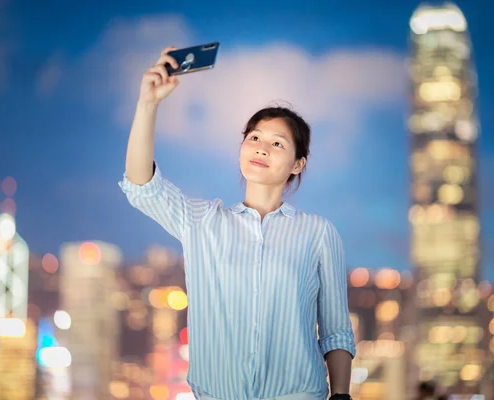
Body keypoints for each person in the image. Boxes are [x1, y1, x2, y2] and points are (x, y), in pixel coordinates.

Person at [119, 46, 356, 400]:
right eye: (254, 138)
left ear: (297, 164)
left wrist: (340, 395)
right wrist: (147, 104)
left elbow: (336, 330)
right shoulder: (202, 222)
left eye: (277, 143)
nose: (262, 148)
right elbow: (142, 187)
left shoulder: (318, 233)